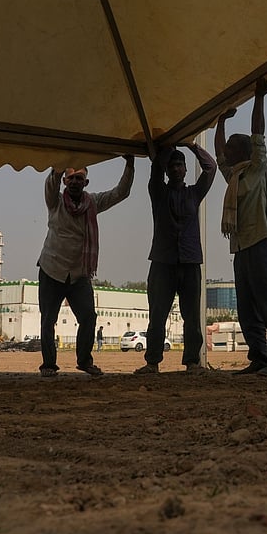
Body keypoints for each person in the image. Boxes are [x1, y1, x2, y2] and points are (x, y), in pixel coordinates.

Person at [215, 78, 267, 376]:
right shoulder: (233, 177)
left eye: (233, 149)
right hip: (242, 249)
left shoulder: (257, 168)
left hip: (260, 244)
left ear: (244, 152)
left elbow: (258, 132)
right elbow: (219, 151)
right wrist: (220, 122)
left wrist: (259, 97)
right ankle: (259, 358)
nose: (227, 153)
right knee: (247, 309)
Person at [36, 158, 134, 377]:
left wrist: (130, 164)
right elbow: (50, 182)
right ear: (64, 180)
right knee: (48, 320)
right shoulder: (55, 202)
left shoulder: (93, 203)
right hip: (52, 269)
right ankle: (49, 365)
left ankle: (84, 361)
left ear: (86, 182)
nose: (74, 182)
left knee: (89, 317)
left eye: (79, 178)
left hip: (79, 274)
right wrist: (61, 158)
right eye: (70, 177)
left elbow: (121, 193)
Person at [135, 143, 217, 375]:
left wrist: (191, 144)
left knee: (191, 317)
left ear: (185, 169)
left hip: (190, 262)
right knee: (157, 316)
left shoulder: (194, 193)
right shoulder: (158, 193)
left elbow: (210, 168)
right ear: (167, 170)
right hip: (163, 262)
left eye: (179, 165)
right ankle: (152, 362)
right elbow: (155, 170)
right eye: (172, 166)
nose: (176, 169)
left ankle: (192, 362)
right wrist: (166, 150)